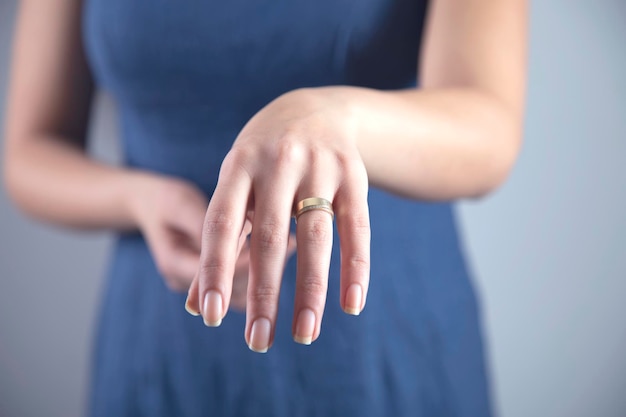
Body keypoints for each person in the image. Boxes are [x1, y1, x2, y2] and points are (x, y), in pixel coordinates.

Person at [2, 0, 526, 415]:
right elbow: (28, 150)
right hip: (163, 342)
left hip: (382, 341)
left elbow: (487, 132)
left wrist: (331, 116)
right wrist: (138, 199)